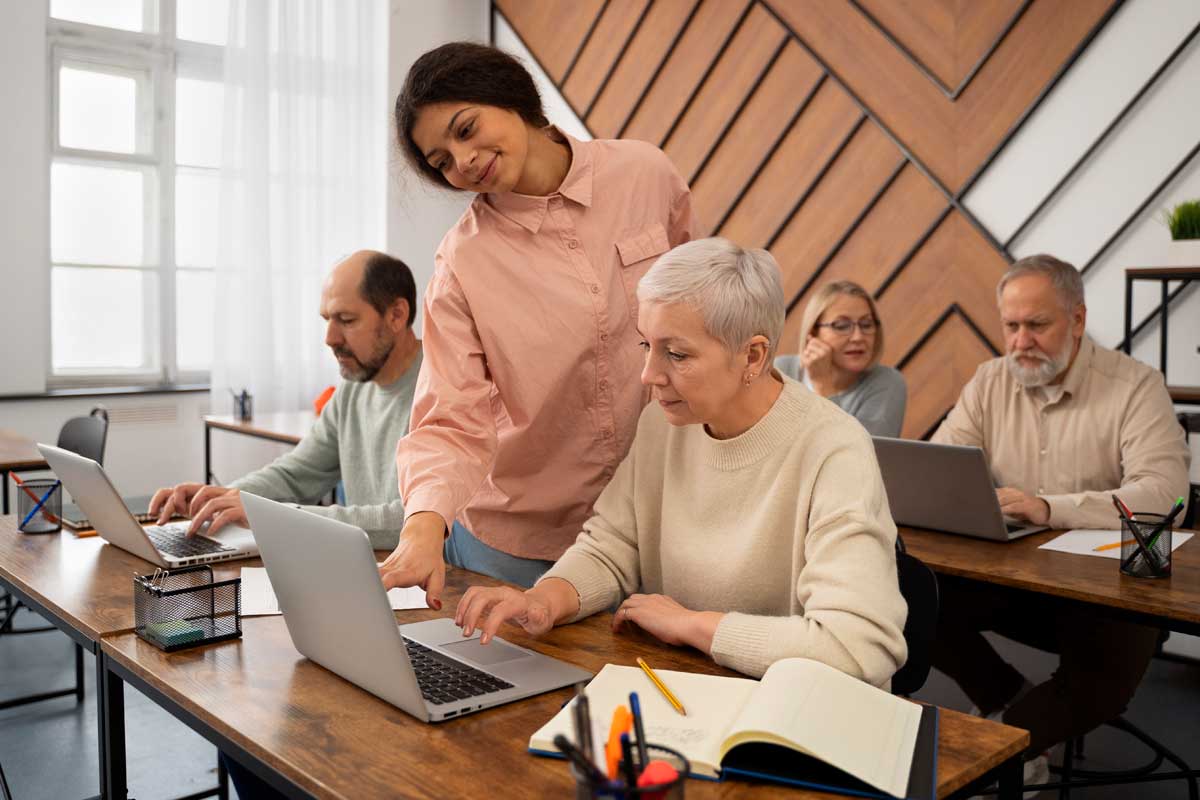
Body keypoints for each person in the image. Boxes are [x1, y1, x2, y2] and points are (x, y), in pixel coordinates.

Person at [454, 238, 907, 686]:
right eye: (645, 345)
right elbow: (612, 546)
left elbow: (858, 645)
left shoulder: (835, 450)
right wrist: (545, 599)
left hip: (789, 710)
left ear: (752, 355)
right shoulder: (663, 424)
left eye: (676, 354)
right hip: (683, 688)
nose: (649, 375)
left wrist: (693, 625)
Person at [379, 42, 702, 603]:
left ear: (509, 94)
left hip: (661, 519)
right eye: (442, 162)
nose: (463, 161)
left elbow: (703, 308)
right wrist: (423, 528)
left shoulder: (645, 174)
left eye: (466, 129)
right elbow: (450, 418)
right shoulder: (462, 263)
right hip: (525, 545)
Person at [930, 253, 1191, 789]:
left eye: (1037, 324)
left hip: (1107, 592)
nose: (1020, 341)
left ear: (1077, 319)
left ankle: (1007, 741)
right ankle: (1011, 711)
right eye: (1011, 326)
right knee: (911, 596)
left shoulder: (1136, 385)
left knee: (1102, 676)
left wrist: (1050, 507)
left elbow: (1166, 496)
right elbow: (940, 468)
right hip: (1012, 579)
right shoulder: (989, 381)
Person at [150, 250, 423, 550]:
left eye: (346, 320)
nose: (330, 338)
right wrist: (220, 499)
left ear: (397, 315)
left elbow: (413, 520)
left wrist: (275, 517)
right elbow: (297, 474)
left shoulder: (441, 392)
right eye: (327, 320)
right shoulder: (353, 387)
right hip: (370, 566)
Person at [775, 280, 906, 437]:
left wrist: (823, 386)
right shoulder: (781, 371)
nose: (858, 337)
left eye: (866, 324)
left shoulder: (888, 382)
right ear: (813, 332)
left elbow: (859, 450)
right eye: (842, 326)